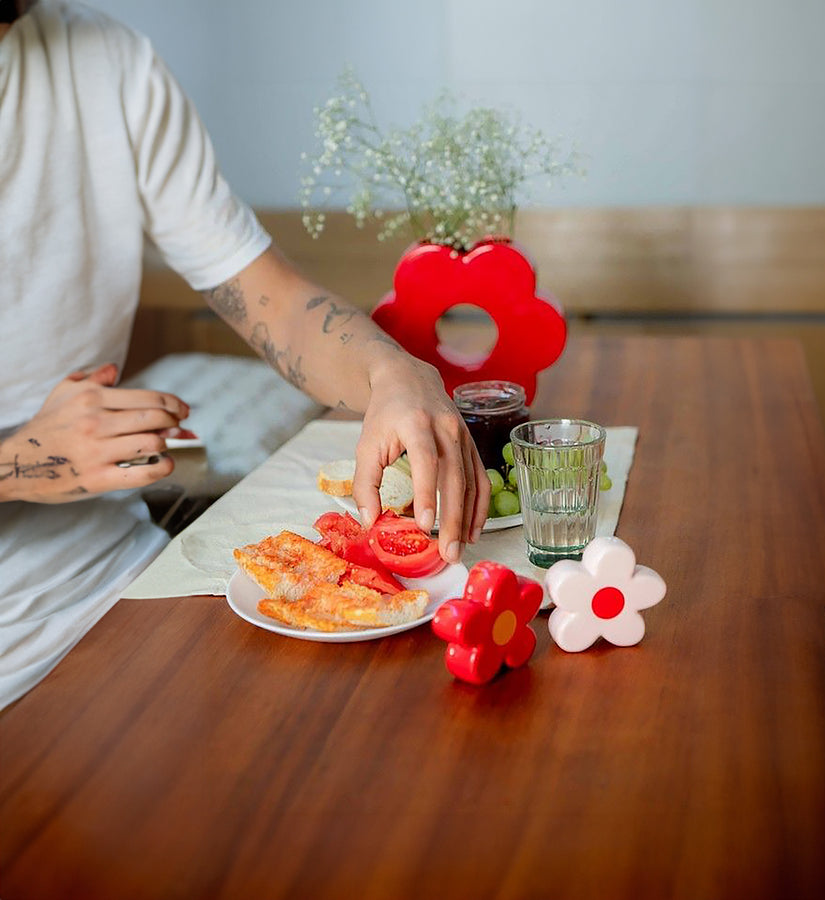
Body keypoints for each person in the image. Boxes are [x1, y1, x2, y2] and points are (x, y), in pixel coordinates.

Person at [0, 0, 490, 709]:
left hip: (127, 587)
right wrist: (21, 463)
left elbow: (277, 305)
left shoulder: (107, 62)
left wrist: (396, 374)